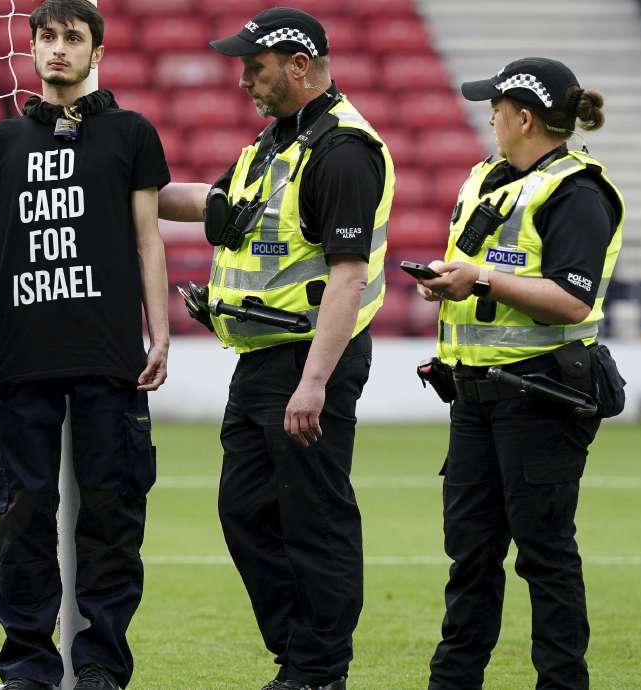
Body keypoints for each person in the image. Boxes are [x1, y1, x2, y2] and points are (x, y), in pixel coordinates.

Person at [157, 8, 395, 690]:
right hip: (262, 360)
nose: (241, 80)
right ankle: (303, 656)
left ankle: (319, 670)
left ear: (298, 65)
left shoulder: (343, 150)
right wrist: (124, 182)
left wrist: (315, 382)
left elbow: (348, 275)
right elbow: (213, 201)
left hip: (307, 360)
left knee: (314, 519)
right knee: (244, 511)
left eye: (253, 67)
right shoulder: (275, 143)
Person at [0, 1, 171, 688]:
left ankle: (102, 663)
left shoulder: (131, 132)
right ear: (34, 47)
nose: (58, 49)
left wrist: (159, 331)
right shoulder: (1, 142)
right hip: (22, 360)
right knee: (21, 519)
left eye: (73, 38)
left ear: (96, 51)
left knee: (111, 516)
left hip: (109, 357)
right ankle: (26, 667)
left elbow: (147, 237)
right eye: (47, 37)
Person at [410, 57, 623, 690]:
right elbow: (491, 281)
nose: (491, 117)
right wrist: (452, 285)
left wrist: (479, 277)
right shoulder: (491, 178)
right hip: (476, 396)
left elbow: (573, 299)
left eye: (497, 107)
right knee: (470, 556)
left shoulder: (578, 192)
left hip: (543, 396)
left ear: (523, 116)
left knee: (545, 556)